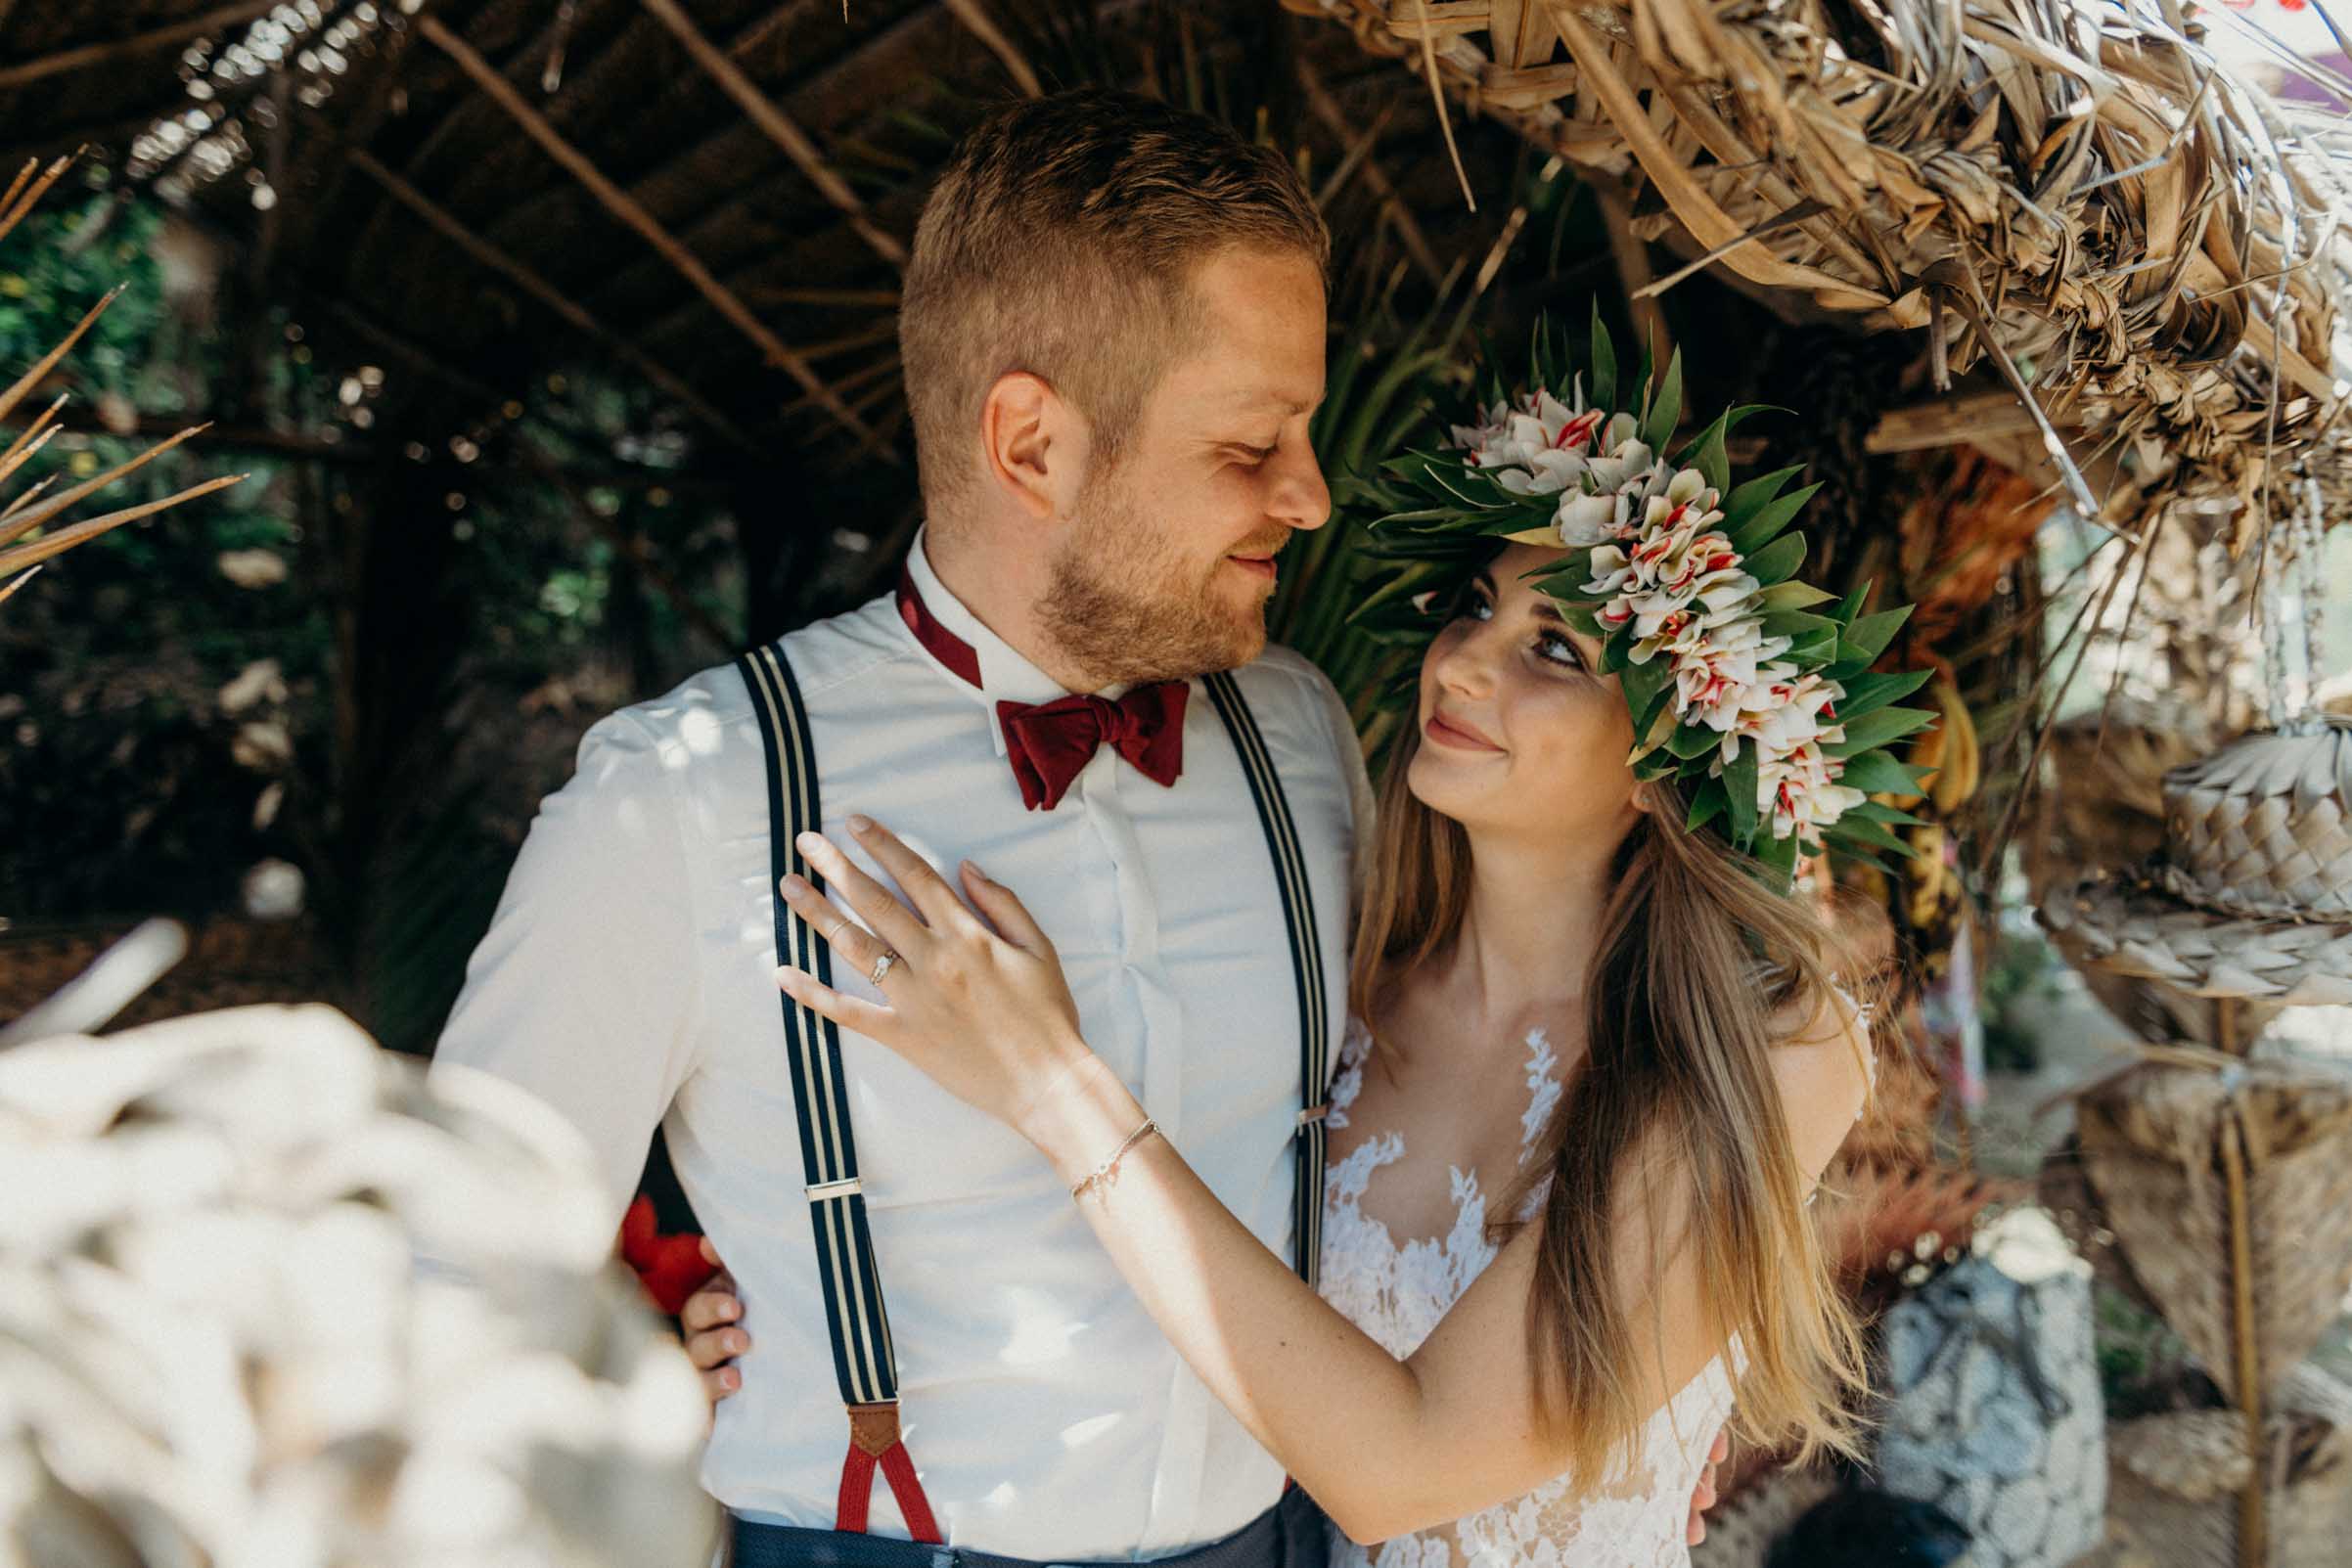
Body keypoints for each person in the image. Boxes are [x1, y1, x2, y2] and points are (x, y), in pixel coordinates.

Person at [433, 88, 1723, 1568]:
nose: (1309, 495)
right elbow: (445, 1277)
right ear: (1032, 443)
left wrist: (1656, 1400)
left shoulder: (1302, 737)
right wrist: (632, 1363)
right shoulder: (685, 799)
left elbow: (1463, 1097)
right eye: (1251, 443)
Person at [689, 340, 1898, 1563]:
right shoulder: (1342, 975)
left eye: (1555, 650)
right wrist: (762, 1310)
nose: (1461, 661)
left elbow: (1404, 1471)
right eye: (1474, 605)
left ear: (1667, 764)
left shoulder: (1775, 1047)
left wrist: (1050, 1085)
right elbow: (1151, 1273)